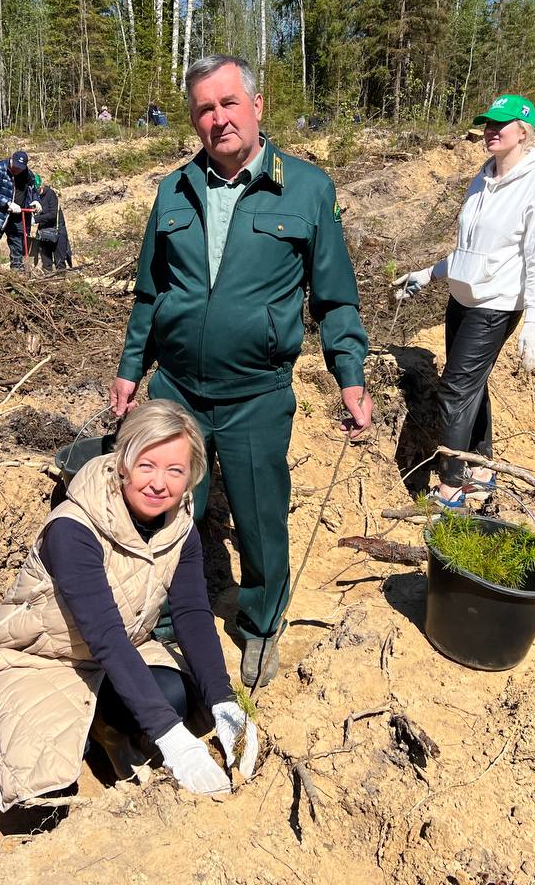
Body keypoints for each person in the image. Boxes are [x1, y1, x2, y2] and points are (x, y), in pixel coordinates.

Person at [110, 55, 372, 688]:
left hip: (257, 392)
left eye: (228, 103)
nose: (218, 118)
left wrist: (351, 374)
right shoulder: (174, 191)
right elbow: (150, 292)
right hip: (176, 391)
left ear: (258, 106)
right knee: (172, 515)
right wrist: (130, 368)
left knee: (258, 518)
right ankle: (170, 625)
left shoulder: (307, 189)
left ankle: (260, 625)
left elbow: (334, 297)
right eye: (204, 108)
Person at [0, 399, 259, 811]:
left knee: (176, 696)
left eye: (175, 471)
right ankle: (87, 736)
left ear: (192, 477)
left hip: (117, 652)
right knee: (47, 789)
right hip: (41, 657)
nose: (159, 483)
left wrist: (224, 700)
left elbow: (192, 614)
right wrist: (171, 738)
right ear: (122, 462)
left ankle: (107, 728)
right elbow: (104, 634)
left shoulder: (179, 527)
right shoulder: (73, 529)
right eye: (146, 465)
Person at [393, 94, 535, 508]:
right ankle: (482, 468)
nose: (490, 131)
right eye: (487, 123)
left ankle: (451, 487)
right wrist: (428, 274)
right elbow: (469, 249)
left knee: (453, 391)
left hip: (497, 303)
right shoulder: (481, 178)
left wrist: (534, 323)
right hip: (461, 297)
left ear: (523, 131)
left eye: (499, 125)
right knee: (472, 385)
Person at [0, 149, 36, 270]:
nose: (17, 170)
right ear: (11, 160)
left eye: (21, 168)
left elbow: (33, 189)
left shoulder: (28, 174)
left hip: (18, 218)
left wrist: (36, 201)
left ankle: (18, 275)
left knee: (18, 251)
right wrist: (8, 203)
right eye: (16, 167)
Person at [28, 175, 72, 272]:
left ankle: (61, 278)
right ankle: (48, 279)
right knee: (46, 260)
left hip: (57, 229)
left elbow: (52, 214)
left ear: (41, 187)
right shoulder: (31, 196)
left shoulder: (50, 194)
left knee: (59, 259)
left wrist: (36, 219)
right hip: (43, 230)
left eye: (37, 189)